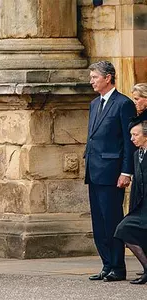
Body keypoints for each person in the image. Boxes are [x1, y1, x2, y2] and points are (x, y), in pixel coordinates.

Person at [85, 61, 136, 282]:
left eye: (95, 77)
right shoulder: (94, 104)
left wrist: (126, 171)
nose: (91, 81)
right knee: (98, 222)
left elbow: (128, 141)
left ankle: (118, 266)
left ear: (108, 77)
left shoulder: (123, 103)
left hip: (112, 172)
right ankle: (106, 264)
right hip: (94, 171)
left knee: (112, 220)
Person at [115, 115, 147, 284]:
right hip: (141, 206)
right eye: (131, 135)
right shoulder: (137, 155)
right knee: (123, 229)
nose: (132, 139)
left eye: (135, 135)